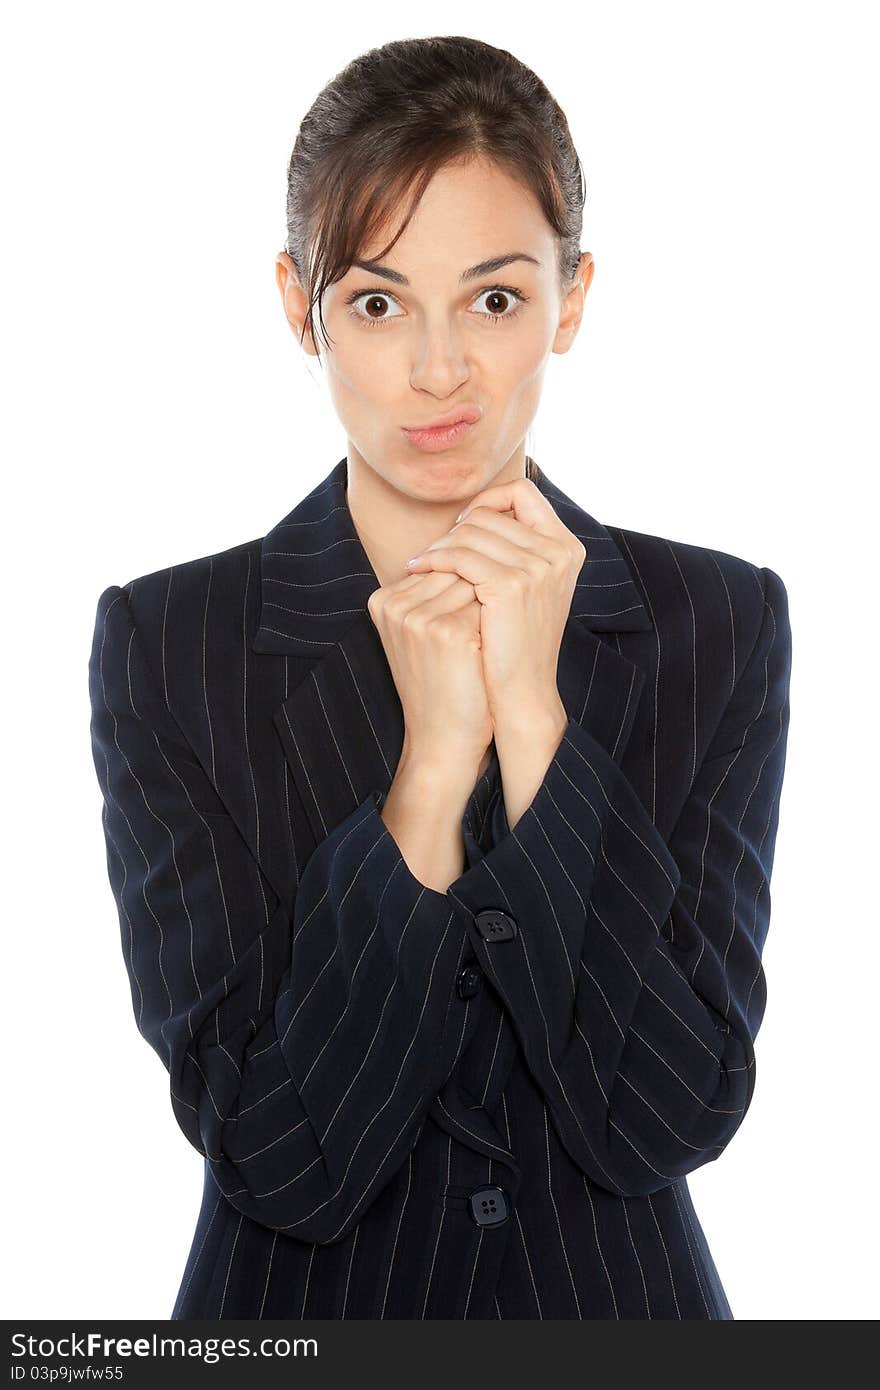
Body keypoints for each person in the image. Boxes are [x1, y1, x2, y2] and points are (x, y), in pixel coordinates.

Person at [87, 35, 792, 1320]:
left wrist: (533, 724)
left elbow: (670, 1114)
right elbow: (278, 1155)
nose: (435, 372)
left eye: (493, 299)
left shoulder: (717, 619)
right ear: (297, 302)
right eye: (375, 302)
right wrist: (426, 776)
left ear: (570, 300)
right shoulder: (172, 640)